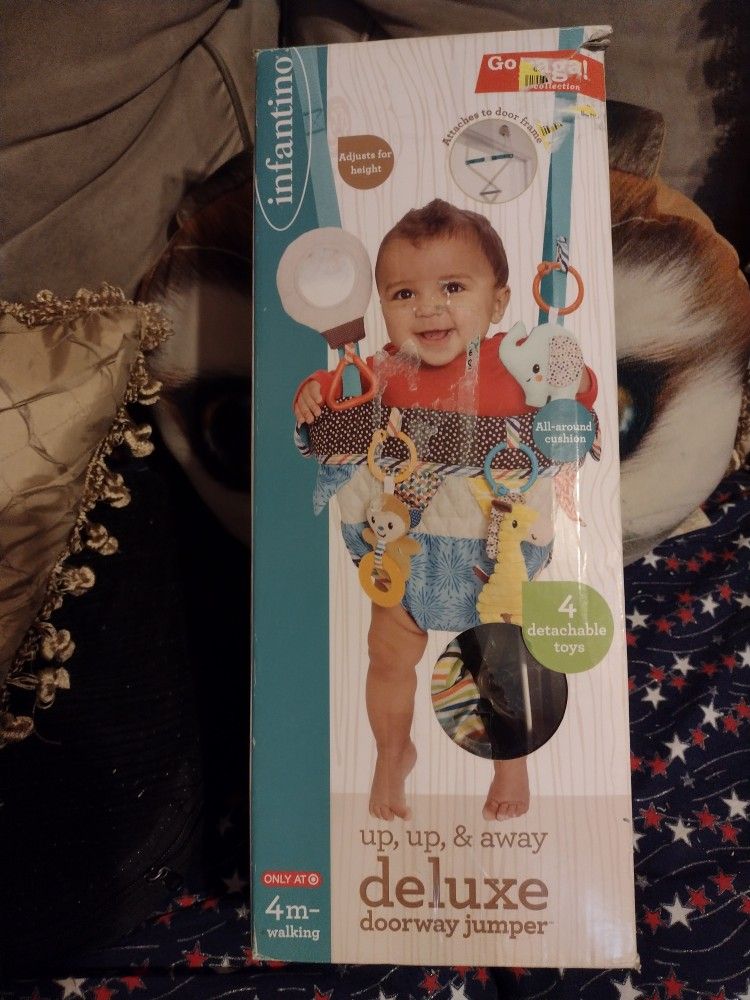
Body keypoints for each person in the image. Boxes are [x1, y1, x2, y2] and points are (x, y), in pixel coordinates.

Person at [294, 199, 596, 822]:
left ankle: (509, 760)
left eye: (453, 287)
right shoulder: (381, 369)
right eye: (404, 293)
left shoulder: (518, 363)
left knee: (499, 660)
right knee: (388, 657)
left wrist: (568, 377)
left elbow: (582, 390)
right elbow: (334, 391)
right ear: (380, 306)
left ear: (499, 302)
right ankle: (391, 753)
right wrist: (312, 394)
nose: (428, 307)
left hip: (494, 549)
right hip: (402, 545)